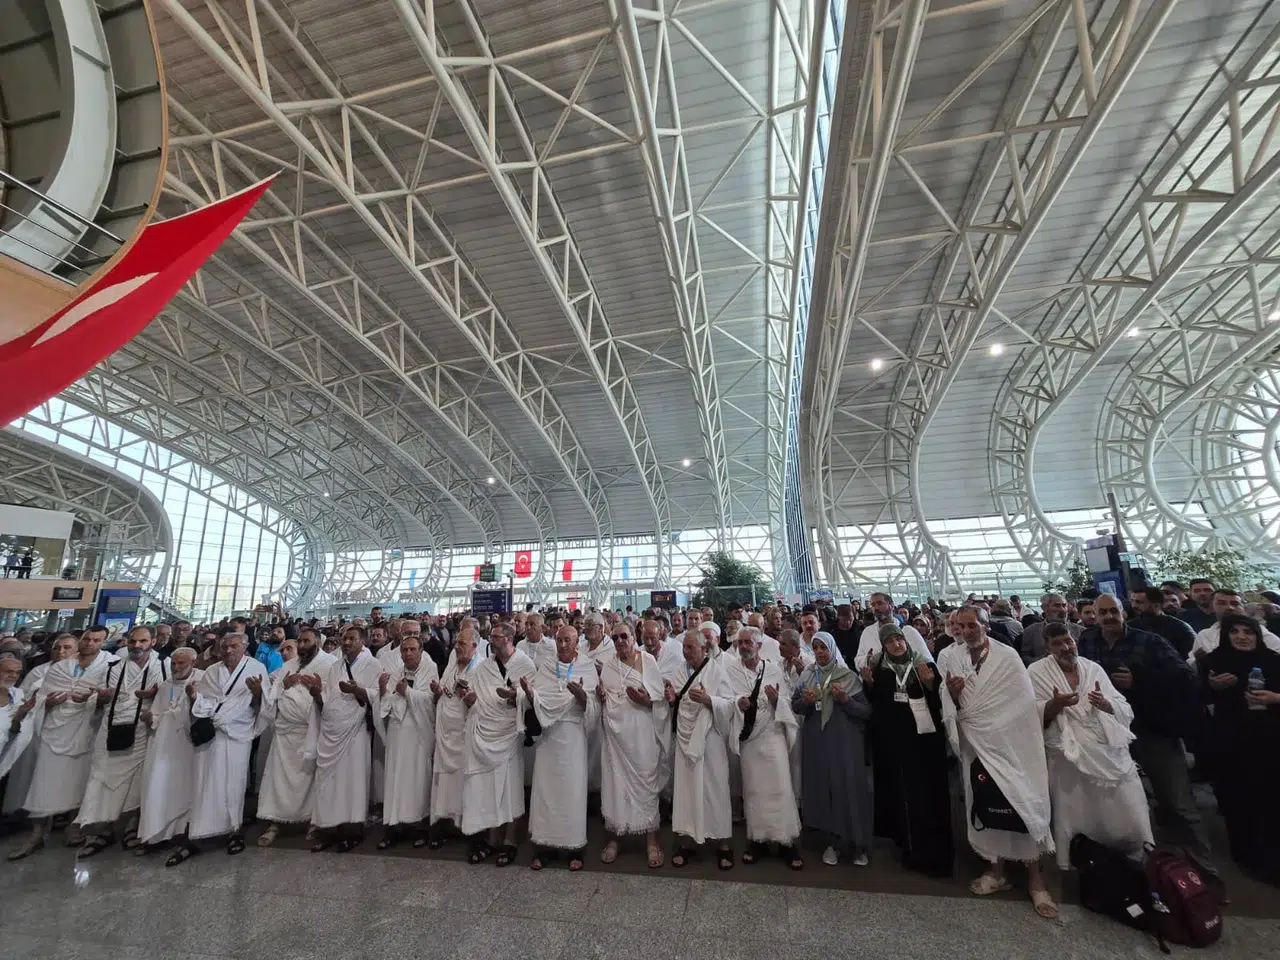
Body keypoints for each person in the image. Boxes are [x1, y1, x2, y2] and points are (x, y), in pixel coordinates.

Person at [1077, 593, 1211, 870]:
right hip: (1107, 731)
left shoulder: (1149, 641)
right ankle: (1133, 864)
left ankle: (1202, 869)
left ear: (1123, 612)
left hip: (1150, 728)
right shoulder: (1087, 641)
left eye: (1113, 611)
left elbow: (1185, 677)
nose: (1108, 616)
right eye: (1102, 612)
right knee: (1117, 797)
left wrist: (1139, 679)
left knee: (1176, 799)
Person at [939, 606, 1057, 918]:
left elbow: (1022, 704)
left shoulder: (1007, 658)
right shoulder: (953, 657)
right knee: (983, 804)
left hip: (1012, 746)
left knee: (1023, 801)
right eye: (961, 626)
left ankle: (1036, 879)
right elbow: (948, 697)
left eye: (972, 625)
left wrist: (997, 728)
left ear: (986, 626)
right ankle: (996, 870)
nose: (966, 631)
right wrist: (950, 695)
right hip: (976, 746)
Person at [1029, 623, 1153, 870]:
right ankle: (1080, 855)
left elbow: (1121, 704)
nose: (1065, 648)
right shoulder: (1036, 672)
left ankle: (1129, 849)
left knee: (1124, 803)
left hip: (1105, 746)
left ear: (1075, 640)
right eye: (1057, 644)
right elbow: (1031, 714)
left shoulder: (1092, 668)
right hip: (1065, 750)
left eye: (1068, 641)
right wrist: (1055, 705)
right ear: (1047, 647)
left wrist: (1106, 704)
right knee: (1075, 808)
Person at [7, 626, 114, 859]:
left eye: (96, 640)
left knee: (80, 781)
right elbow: (42, 696)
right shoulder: (60, 668)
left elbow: (111, 696)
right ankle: (37, 833)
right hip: (55, 731)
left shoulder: (109, 666)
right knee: (43, 781)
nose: (90, 643)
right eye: (86, 639)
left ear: (103, 643)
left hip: (87, 729)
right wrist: (50, 702)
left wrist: (94, 699)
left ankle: (74, 827)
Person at [167, 633, 267, 866]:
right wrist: (193, 698)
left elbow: (265, 706)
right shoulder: (212, 671)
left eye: (234, 646)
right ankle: (197, 831)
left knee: (234, 782)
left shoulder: (256, 667)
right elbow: (203, 702)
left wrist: (258, 693)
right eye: (225, 647)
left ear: (245, 647)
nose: (229, 651)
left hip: (237, 735)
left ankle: (234, 829)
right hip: (211, 733)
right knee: (204, 782)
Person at [863, 623, 953, 877]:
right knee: (902, 796)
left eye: (899, 640)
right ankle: (908, 848)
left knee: (927, 796)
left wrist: (930, 685)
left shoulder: (924, 666)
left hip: (924, 744)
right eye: (890, 641)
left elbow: (940, 704)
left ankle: (932, 854)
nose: (896, 644)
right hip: (895, 745)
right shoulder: (881, 671)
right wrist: (868, 685)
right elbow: (877, 706)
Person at [1198, 612, 1280, 884]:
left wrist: (1274, 697)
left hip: (1269, 742)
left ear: (1258, 636)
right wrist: (1211, 686)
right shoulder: (1215, 661)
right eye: (1235, 632)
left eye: (1249, 632)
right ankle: (1247, 857)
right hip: (1230, 743)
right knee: (1236, 800)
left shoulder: (1273, 661)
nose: (1242, 637)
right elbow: (1198, 697)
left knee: (1269, 800)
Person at [74, 625, 165, 857]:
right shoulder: (112, 666)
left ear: (152, 642)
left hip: (144, 729)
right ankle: (102, 829)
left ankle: (132, 827)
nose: (137, 646)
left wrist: (155, 698)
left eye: (143, 641)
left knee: (138, 780)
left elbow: (172, 695)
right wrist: (101, 698)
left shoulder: (163, 666)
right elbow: (93, 694)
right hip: (112, 726)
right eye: (133, 641)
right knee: (101, 778)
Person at [726, 627, 802, 869]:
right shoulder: (731, 671)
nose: (744, 646)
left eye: (749, 642)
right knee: (754, 792)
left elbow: (787, 700)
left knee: (780, 789)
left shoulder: (772, 670)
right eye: (741, 643)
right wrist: (738, 703)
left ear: (759, 646)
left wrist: (776, 700)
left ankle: (787, 842)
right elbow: (726, 699)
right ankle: (757, 841)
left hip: (772, 738)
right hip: (750, 741)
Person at [794, 633, 873, 867]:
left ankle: (857, 845)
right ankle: (831, 844)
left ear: (832, 648)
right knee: (823, 790)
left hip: (844, 743)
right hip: (817, 741)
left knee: (847, 789)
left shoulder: (848, 676)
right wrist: (805, 702)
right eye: (815, 647)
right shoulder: (807, 675)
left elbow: (866, 712)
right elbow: (795, 706)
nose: (819, 652)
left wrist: (845, 699)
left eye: (823, 648)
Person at [523, 625, 598, 870]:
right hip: (549, 738)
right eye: (559, 640)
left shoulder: (586, 665)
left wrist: (583, 697)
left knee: (572, 792)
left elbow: (595, 705)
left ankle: (574, 848)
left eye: (568, 640)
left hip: (573, 736)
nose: (563, 645)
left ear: (577, 643)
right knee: (546, 791)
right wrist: (528, 693)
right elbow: (536, 696)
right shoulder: (545, 666)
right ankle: (544, 846)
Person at [460, 625, 535, 866]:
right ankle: (492, 839)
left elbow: (533, 698)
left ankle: (510, 840)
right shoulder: (484, 667)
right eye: (490, 637)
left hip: (509, 733)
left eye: (496, 637)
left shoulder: (525, 664)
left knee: (510, 788)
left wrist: (516, 697)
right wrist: (471, 700)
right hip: (486, 733)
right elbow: (478, 696)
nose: (491, 641)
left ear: (509, 639)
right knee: (489, 788)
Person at [598, 617, 669, 868]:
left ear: (633, 637)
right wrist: (600, 697)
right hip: (616, 740)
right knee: (615, 787)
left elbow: (659, 701)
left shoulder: (647, 661)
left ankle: (651, 841)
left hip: (643, 737)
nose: (619, 641)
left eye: (624, 636)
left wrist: (644, 700)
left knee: (646, 787)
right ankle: (615, 839)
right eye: (615, 637)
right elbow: (604, 699)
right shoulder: (608, 665)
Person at [256, 627, 335, 847]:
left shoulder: (329, 664)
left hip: (311, 730)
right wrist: (284, 685)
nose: (301, 645)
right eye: (299, 641)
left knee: (312, 779)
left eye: (306, 641)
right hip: (285, 731)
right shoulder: (289, 665)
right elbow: (274, 694)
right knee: (277, 778)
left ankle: (314, 821)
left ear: (317, 643)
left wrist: (317, 691)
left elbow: (332, 697)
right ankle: (274, 822)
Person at [309, 625, 382, 853]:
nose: (346, 642)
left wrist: (357, 690)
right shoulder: (335, 666)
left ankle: (352, 831)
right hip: (332, 729)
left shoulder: (373, 665)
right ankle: (329, 829)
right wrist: (316, 696)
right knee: (329, 781)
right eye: (344, 638)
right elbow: (329, 699)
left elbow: (378, 697)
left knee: (353, 780)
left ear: (362, 642)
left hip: (357, 730)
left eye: (351, 638)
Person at [666, 626, 734, 869]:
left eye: (690, 648)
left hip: (710, 739)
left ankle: (723, 844)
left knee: (714, 789)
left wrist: (709, 700)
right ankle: (687, 841)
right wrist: (672, 699)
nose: (686, 652)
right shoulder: (678, 671)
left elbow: (730, 704)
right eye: (684, 647)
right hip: (685, 741)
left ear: (704, 648)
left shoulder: (717, 672)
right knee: (686, 791)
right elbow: (675, 698)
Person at [2, 632, 76, 820]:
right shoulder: (38, 673)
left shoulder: (78, 672)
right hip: (26, 737)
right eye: (57, 647)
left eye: (67, 648)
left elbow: (20, 709)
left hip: (60, 735)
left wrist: (26, 712)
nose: (61, 652)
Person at [135, 648, 203, 851]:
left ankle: (183, 832)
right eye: (173, 663)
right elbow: (156, 712)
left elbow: (205, 711)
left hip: (190, 744)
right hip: (164, 745)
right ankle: (159, 833)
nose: (176, 667)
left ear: (194, 663)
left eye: (181, 663)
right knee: (160, 785)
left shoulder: (202, 680)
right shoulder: (166, 685)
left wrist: (194, 700)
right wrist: (150, 718)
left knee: (186, 788)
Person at [376, 633, 438, 849]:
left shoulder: (431, 670)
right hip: (397, 732)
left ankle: (420, 828)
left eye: (413, 649)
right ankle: (394, 827)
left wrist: (407, 692)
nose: (408, 653)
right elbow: (387, 701)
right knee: (395, 778)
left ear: (421, 651)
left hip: (418, 734)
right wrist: (384, 691)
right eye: (405, 650)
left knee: (418, 779)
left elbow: (430, 700)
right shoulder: (396, 673)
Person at [428, 626, 480, 848]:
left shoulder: (480, 669)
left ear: (475, 646)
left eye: (462, 643)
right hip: (446, 734)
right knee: (445, 783)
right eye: (456, 643)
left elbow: (482, 703)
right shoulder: (451, 667)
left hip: (464, 736)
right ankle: (445, 822)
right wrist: (439, 692)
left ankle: (465, 825)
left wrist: (469, 700)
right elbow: (444, 692)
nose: (457, 647)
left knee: (462, 781)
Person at [1188, 588, 1280, 662]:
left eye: (1235, 604)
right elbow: (1192, 664)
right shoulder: (1204, 635)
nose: (1229, 607)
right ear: (1212, 607)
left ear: (1243, 607)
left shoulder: (1258, 631)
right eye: (1222, 603)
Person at [857, 593, 932, 667]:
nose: (876, 608)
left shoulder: (909, 631)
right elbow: (858, 660)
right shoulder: (868, 632)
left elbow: (927, 660)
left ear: (892, 606)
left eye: (880, 603)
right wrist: (867, 660)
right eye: (873, 605)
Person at [1129, 586, 1197, 659]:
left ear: (1156, 605)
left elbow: (1191, 657)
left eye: (1139, 602)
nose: (1133, 606)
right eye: (1132, 601)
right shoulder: (1130, 626)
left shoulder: (1179, 627)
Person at [1019, 593, 1082, 665]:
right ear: (1044, 608)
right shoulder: (1031, 631)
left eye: (1064, 605)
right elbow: (1025, 657)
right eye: (1057, 606)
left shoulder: (1080, 630)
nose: (1062, 610)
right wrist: (1043, 661)